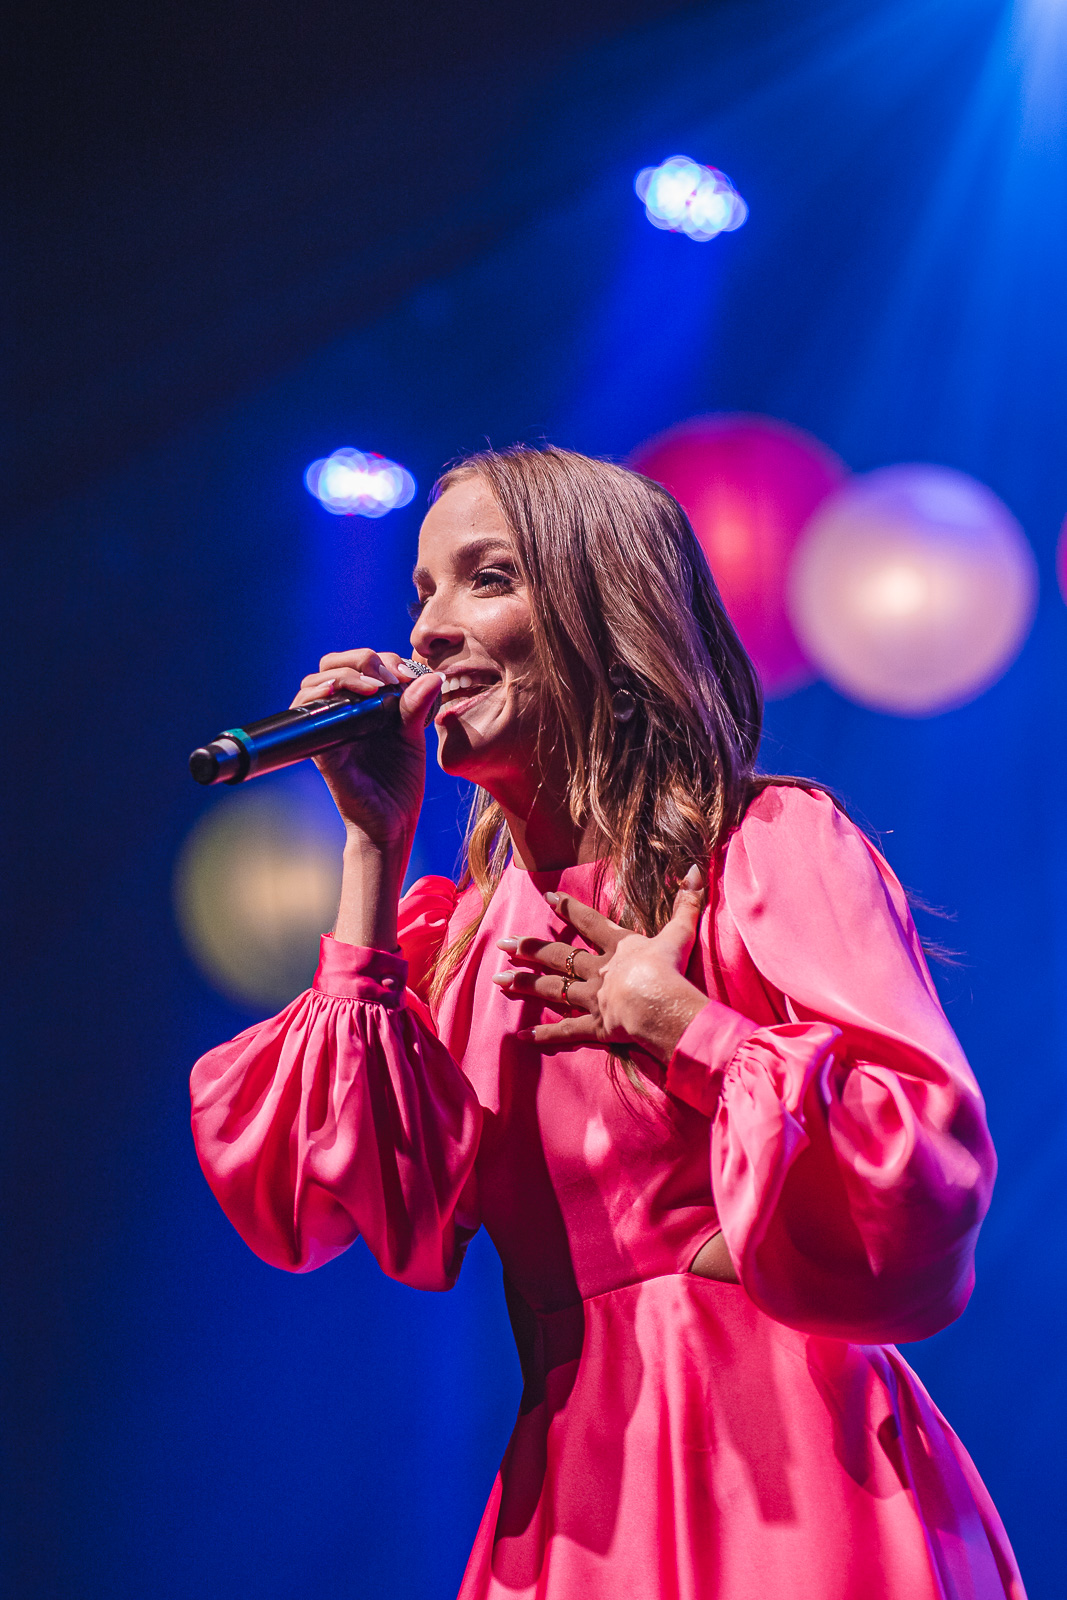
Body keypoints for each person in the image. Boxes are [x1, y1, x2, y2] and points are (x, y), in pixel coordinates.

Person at [190, 445, 1025, 1599]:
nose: (427, 629)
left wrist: (693, 1032)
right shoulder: (465, 941)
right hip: (578, 1500)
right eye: (421, 591)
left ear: (600, 609)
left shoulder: (763, 850)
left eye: (486, 578)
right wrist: (372, 845)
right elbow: (321, 1193)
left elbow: (923, 1170)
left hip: (787, 1476)